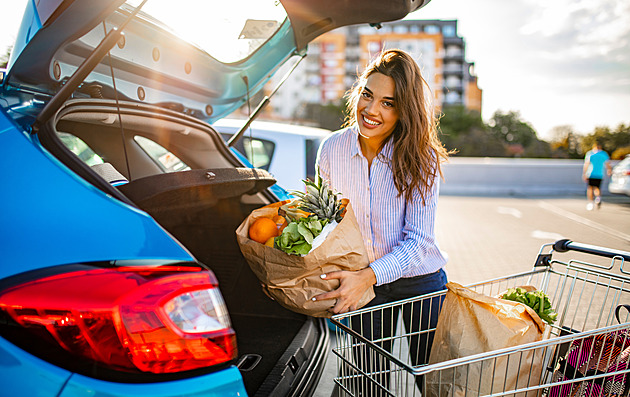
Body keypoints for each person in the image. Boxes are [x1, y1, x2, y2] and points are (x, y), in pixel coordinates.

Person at [312, 49, 450, 391]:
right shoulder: (332, 149)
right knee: (365, 383)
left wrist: (368, 276)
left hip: (420, 282)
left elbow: (418, 242)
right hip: (362, 283)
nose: (371, 110)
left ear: (404, 110)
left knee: (434, 383)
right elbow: (327, 222)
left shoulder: (422, 158)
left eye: (388, 103)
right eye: (367, 95)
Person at [583, 142, 611, 210]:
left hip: (591, 174)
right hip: (600, 174)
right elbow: (608, 164)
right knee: (597, 188)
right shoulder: (604, 154)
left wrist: (584, 173)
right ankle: (598, 198)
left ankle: (590, 202)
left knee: (590, 188)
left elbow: (586, 164)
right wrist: (609, 170)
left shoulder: (590, 154)